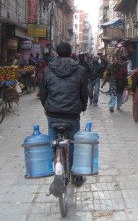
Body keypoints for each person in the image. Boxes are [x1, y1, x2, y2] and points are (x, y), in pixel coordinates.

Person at [39, 42, 88, 188]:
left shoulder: (48, 70)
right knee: (73, 143)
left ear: (57, 54)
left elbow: (43, 93)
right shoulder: (80, 70)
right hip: (72, 114)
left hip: (53, 113)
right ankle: (75, 173)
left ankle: (53, 163)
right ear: (71, 53)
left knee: (52, 142)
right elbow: (84, 92)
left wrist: (46, 107)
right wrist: (82, 107)